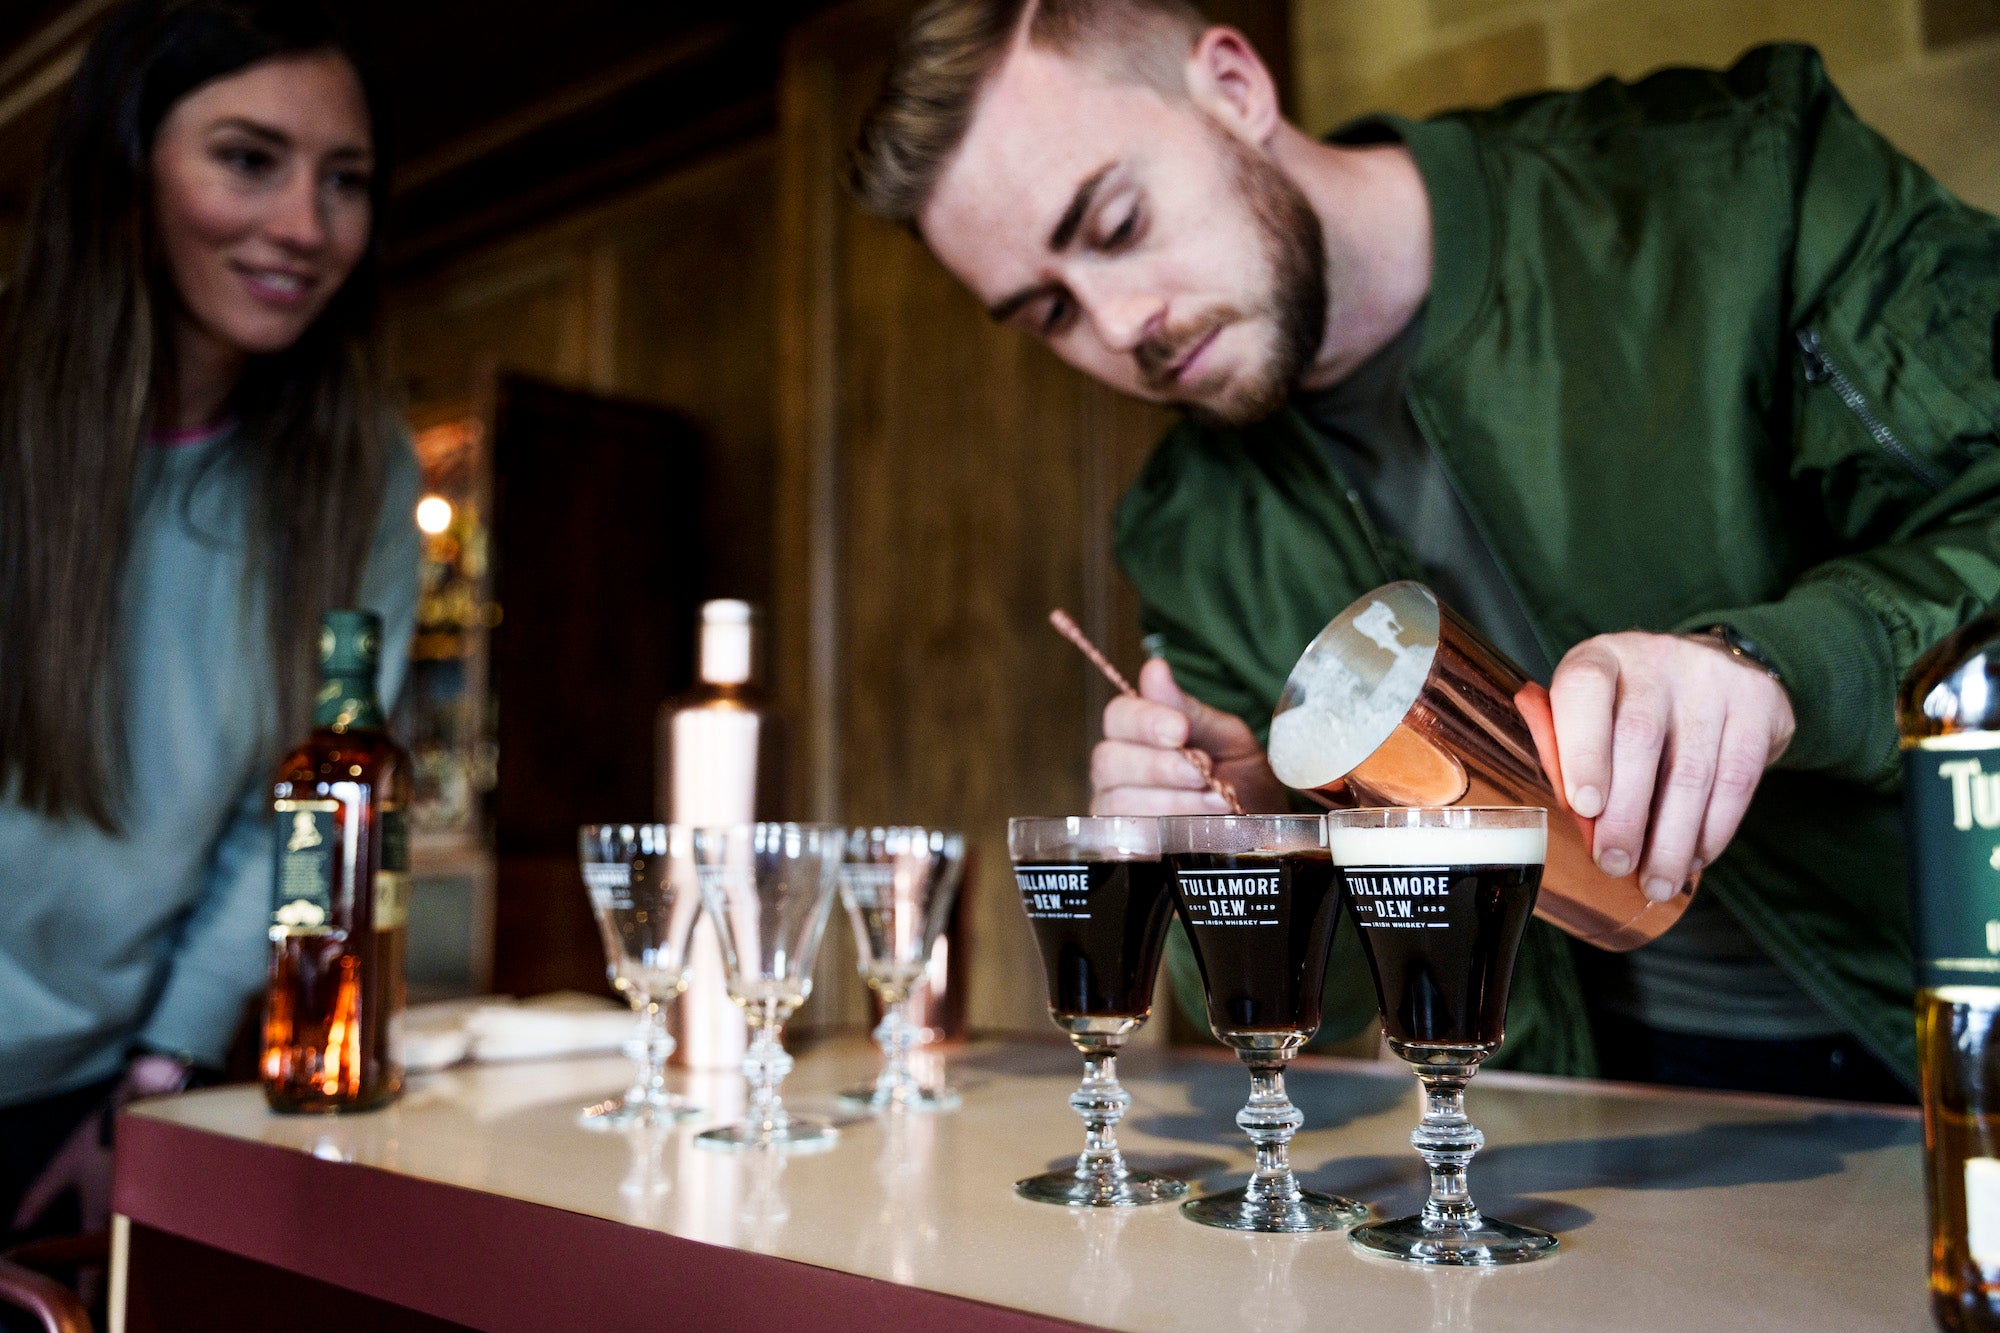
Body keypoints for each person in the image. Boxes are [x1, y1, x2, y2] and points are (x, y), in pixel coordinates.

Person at [849, 0, 2000, 1100]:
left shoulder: (1736, 178)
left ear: (1234, 87)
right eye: (1048, 312)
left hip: (1953, 1024)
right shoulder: (1188, 530)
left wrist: (1779, 666)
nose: (1115, 326)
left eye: (1114, 227)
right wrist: (1252, 848)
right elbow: (1319, 1023)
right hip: (1573, 1120)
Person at [0, 0, 419, 1256]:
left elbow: (291, 821)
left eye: (343, 179)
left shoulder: (362, 473)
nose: (304, 225)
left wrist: (161, 1067)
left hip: (96, 1084)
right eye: (248, 159)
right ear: (128, 170)